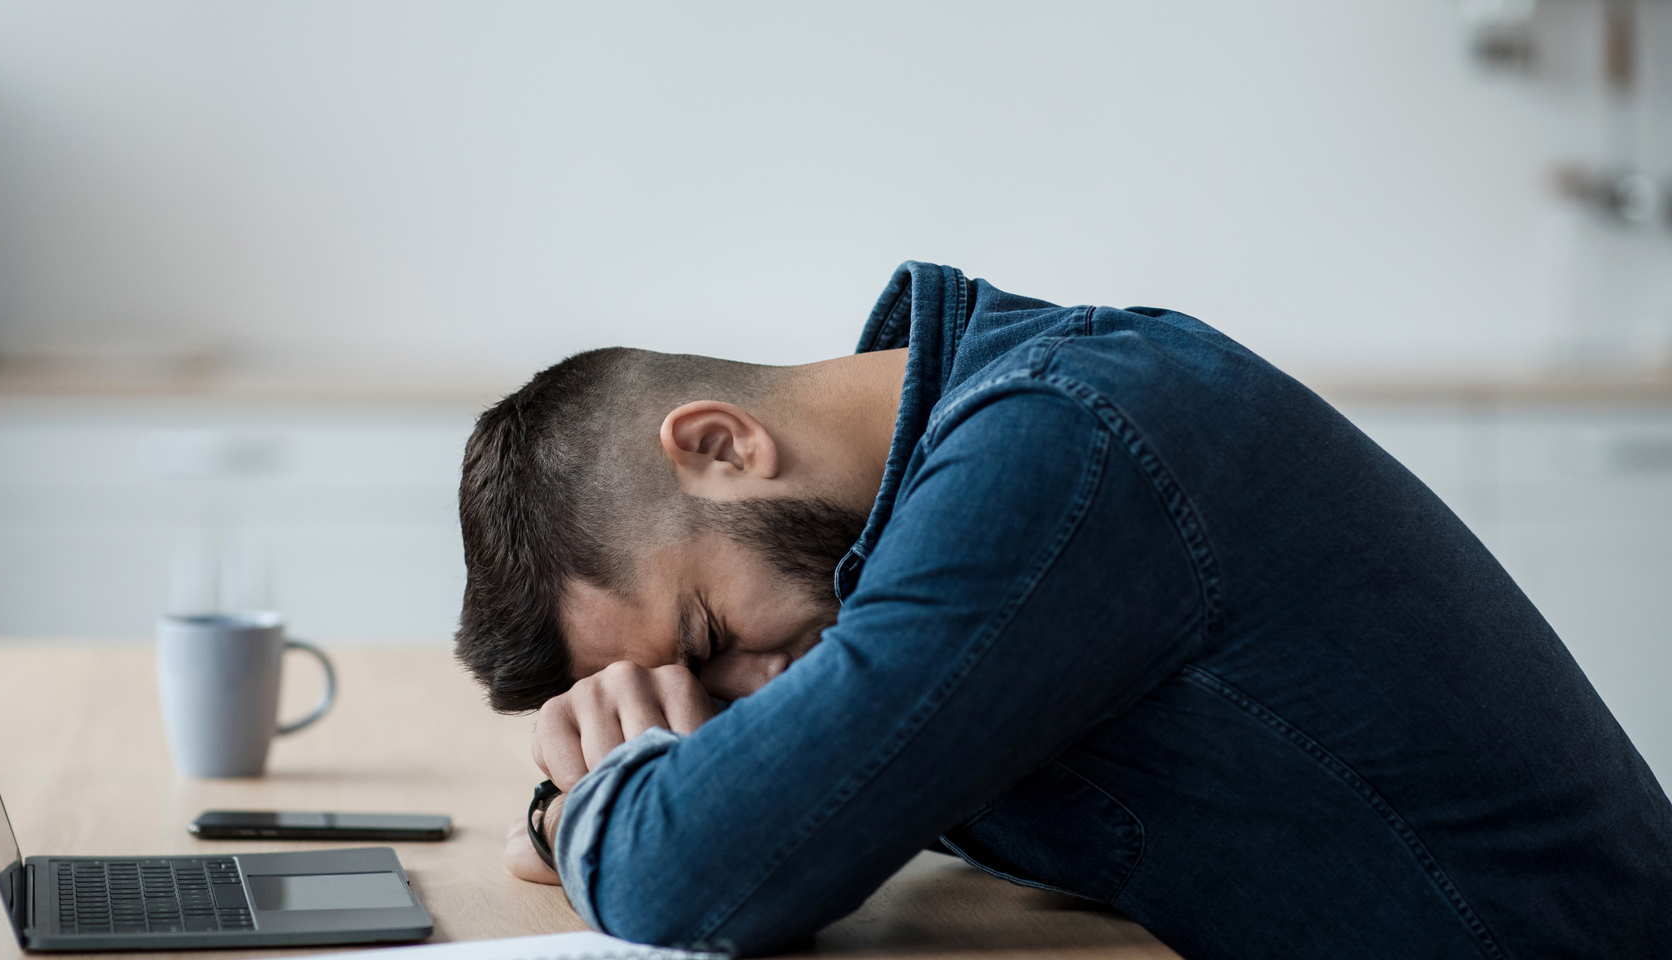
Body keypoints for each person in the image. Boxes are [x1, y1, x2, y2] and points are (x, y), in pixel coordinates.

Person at [452, 261, 1672, 959]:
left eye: (712, 642)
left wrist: (602, 808)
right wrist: (618, 792)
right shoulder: (972, 451)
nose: (750, 694)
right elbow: (786, 804)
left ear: (721, 447)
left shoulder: (1060, 448)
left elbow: (705, 878)